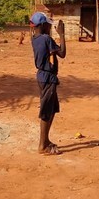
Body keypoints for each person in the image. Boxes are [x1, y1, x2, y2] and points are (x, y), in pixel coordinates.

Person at [30, 11, 66, 155]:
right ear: (44, 25)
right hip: (48, 77)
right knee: (46, 111)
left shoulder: (35, 38)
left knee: (51, 110)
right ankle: (42, 146)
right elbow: (62, 53)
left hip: (43, 76)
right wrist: (62, 34)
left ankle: (46, 140)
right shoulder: (46, 39)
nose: (50, 28)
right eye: (48, 26)